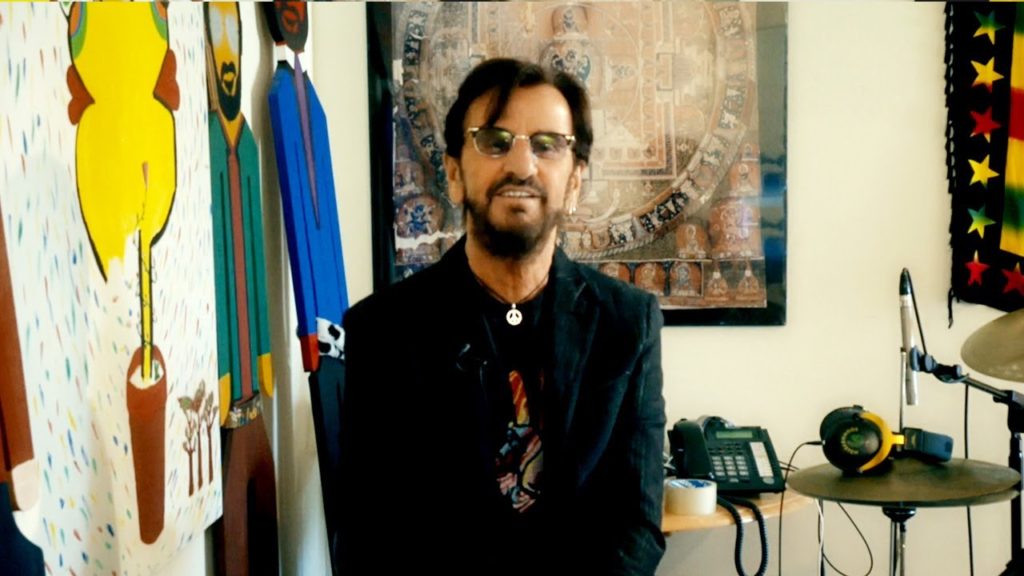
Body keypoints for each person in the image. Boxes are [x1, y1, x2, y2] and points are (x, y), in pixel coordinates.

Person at [339, 58, 666, 576]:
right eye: (494, 141)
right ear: (454, 174)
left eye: (547, 144)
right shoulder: (381, 331)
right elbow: (369, 537)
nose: (521, 165)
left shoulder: (628, 323)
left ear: (575, 181)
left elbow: (637, 525)